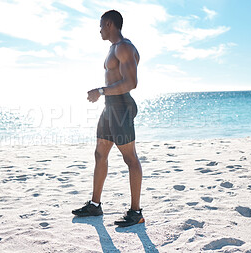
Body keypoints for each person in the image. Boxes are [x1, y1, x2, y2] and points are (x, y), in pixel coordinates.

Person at [72, 10, 144, 227]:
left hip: (121, 107)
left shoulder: (124, 47)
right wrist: (104, 96)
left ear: (110, 24)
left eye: (101, 25)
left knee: (130, 158)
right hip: (110, 107)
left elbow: (131, 82)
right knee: (100, 153)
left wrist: (101, 91)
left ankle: (136, 212)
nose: (100, 29)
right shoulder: (113, 49)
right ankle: (95, 205)